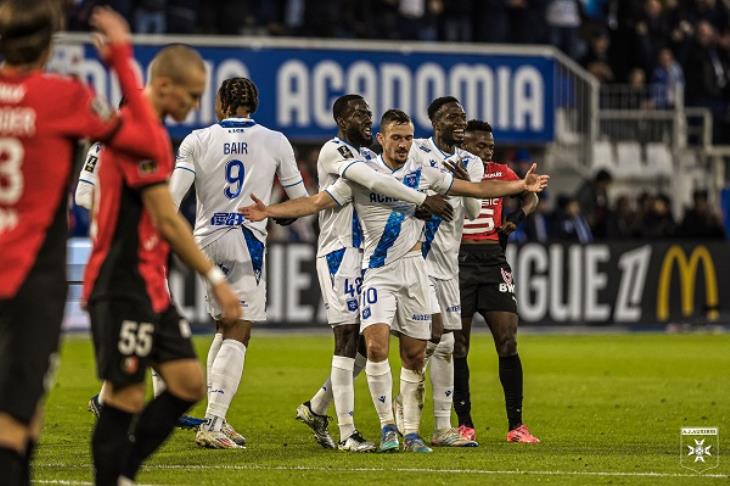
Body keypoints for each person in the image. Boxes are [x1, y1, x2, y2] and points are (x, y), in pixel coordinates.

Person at [240, 109, 549, 452]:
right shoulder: (361, 175)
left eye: (407, 138)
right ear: (381, 139)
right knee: (374, 348)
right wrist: (269, 211)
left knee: (417, 354)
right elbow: (315, 202)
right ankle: (388, 427)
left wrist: (520, 185)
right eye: (397, 138)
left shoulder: (424, 172)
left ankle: (412, 432)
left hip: (416, 271)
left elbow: (474, 188)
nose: (403, 144)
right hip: (378, 273)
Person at [0, 3, 171, 484]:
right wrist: (119, 58)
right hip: (31, 279)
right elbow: (147, 142)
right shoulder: (65, 96)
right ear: (50, 44)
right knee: (16, 423)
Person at [82, 30, 241, 485]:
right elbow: (168, 220)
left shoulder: (141, 125)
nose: (195, 104)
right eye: (191, 95)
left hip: (150, 285)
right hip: (123, 282)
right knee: (125, 396)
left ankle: (123, 473)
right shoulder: (142, 135)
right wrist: (214, 277)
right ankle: (114, 477)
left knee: (189, 383)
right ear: (167, 87)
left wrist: (120, 56)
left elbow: (137, 89)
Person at [292, 95, 454, 452]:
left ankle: (318, 407)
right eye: (359, 114)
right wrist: (418, 201)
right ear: (340, 119)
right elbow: (336, 196)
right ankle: (348, 430)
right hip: (343, 253)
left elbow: (388, 188)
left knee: (369, 342)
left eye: (369, 114)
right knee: (351, 340)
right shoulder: (335, 151)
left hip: (370, 253)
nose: (366, 119)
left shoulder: (366, 156)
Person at [168, 77, 310, 449]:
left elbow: (171, 198)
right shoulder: (275, 140)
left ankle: (217, 415)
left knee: (222, 325)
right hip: (245, 239)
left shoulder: (196, 140)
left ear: (221, 103)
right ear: (255, 103)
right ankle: (212, 422)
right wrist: (277, 214)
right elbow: (299, 201)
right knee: (240, 330)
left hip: (204, 241)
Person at [393, 96, 484, 448]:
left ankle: (439, 426)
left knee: (447, 345)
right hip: (417, 257)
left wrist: (466, 184)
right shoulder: (415, 149)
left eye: (462, 116)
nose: (459, 122)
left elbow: (474, 213)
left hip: (448, 263)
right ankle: (409, 412)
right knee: (436, 338)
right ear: (434, 121)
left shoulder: (470, 161)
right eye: (451, 116)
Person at [453, 120, 540, 444]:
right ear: (464, 145)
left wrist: (516, 218)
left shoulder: (501, 173)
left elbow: (529, 196)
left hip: (493, 260)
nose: (487, 151)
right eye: (480, 145)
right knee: (458, 345)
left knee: (508, 340)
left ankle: (516, 425)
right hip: (457, 262)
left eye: (490, 146)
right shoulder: (450, 173)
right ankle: (464, 423)